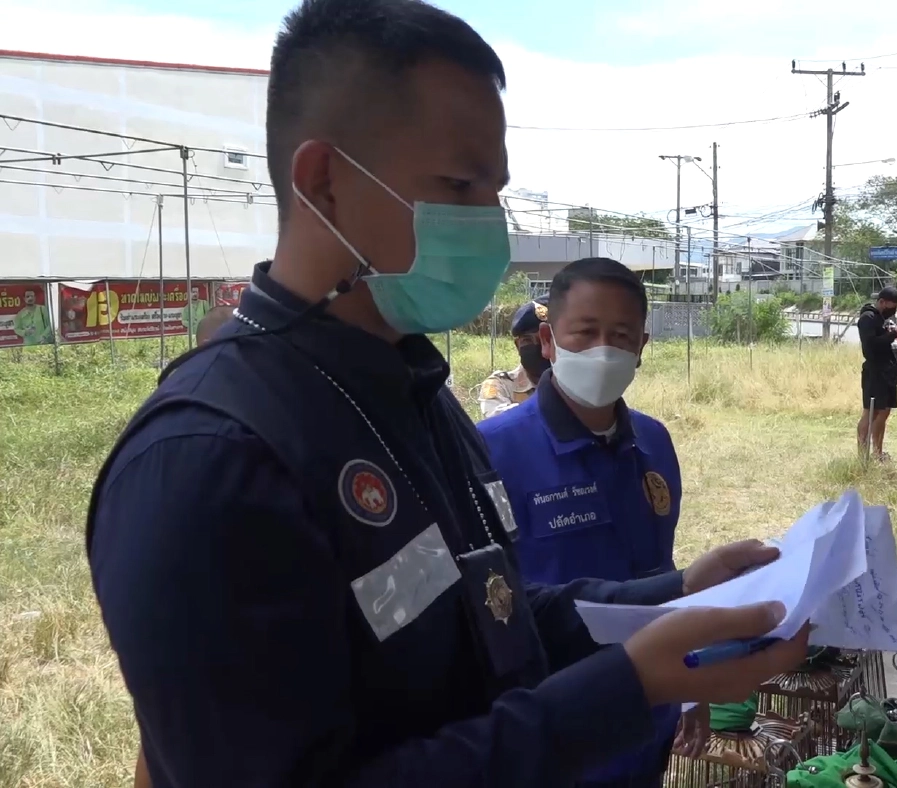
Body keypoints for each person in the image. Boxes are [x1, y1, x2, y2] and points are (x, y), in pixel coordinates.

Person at [89, 3, 808, 787]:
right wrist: (621, 691)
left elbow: (490, 609)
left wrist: (670, 594)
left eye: (493, 191)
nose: (486, 225)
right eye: (459, 184)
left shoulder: (414, 393)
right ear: (325, 181)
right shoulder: (213, 462)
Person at [479, 257, 702, 788]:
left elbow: (660, 570)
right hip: (557, 724)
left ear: (642, 347)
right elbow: (490, 606)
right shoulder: (491, 451)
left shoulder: (652, 442)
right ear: (548, 341)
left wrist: (691, 680)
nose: (603, 349)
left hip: (650, 707)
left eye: (620, 335)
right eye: (585, 332)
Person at [856, 286, 897, 462]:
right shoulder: (868, 318)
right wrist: (895, 332)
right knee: (870, 413)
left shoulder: (884, 319)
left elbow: (889, 343)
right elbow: (872, 345)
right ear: (881, 302)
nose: (893, 310)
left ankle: (878, 452)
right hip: (875, 372)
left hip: (888, 373)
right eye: (891, 306)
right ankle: (862, 455)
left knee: (885, 412)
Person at [478, 296, 549, 418]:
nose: (537, 346)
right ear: (517, 346)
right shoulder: (501, 384)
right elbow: (500, 420)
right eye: (528, 340)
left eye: (544, 339)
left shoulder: (572, 380)